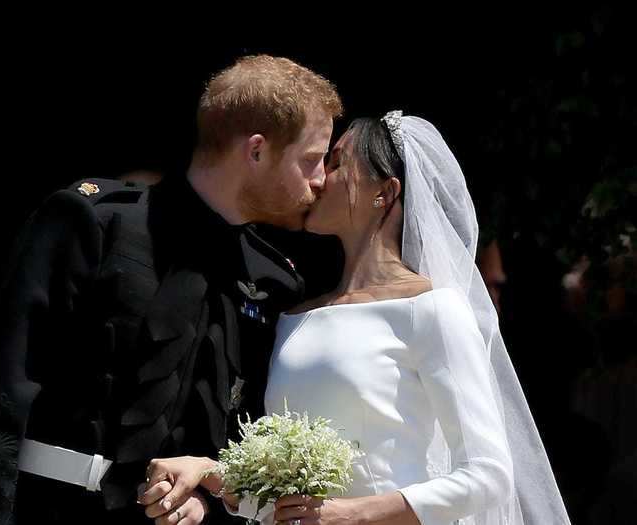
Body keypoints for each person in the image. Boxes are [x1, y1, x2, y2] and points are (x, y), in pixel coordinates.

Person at [140, 112, 571, 524]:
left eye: (337, 161)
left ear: (384, 192)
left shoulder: (431, 310)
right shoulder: (294, 315)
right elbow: (285, 502)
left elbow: (488, 473)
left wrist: (350, 515)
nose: (319, 178)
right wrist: (209, 473)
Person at [0, 54, 342, 525]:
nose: (321, 179)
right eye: (311, 159)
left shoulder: (275, 280)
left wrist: (206, 499)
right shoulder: (95, 223)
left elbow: (244, 432)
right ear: (256, 151)